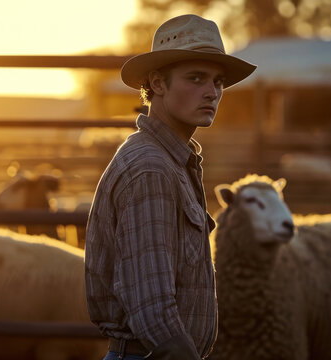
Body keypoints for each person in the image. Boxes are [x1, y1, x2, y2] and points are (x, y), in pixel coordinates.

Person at [84, 14, 256, 360]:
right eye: (196, 78)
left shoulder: (171, 162)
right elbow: (152, 306)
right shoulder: (151, 169)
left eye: (218, 81)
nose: (212, 92)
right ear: (158, 84)